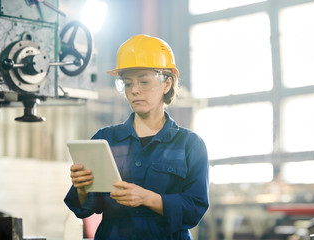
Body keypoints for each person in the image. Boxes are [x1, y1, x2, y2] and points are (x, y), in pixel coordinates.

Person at [64, 34, 209, 240]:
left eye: (144, 81)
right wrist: (82, 188)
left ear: (167, 84)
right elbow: (84, 209)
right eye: (128, 83)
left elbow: (194, 208)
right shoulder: (106, 139)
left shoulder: (190, 145)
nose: (135, 91)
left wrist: (147, 198)